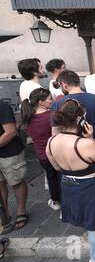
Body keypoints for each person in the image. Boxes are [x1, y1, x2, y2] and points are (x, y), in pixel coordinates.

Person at [46, 99, 95, 262]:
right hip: (90, 187)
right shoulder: (84, 144)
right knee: (94, 224)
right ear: (80, 120)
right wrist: (91, 138)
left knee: (88, 220)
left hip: (69, 184)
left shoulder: (51, 141)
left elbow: (56, 166)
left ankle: (91, 239)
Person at [21, 88, 60, 211]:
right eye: (49, 99)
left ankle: (56, 201)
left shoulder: (28, 119)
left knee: (51, 177)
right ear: (40, 102)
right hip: (56, 152)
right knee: (61, 177)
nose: (52, 100)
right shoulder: (52, 115)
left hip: (42, 155)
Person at [52, 70, 95, 144]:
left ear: (64, 85)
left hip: (74, 148)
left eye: (60, 87)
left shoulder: (58, 104)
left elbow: (55, 133)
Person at [0, 101, 28, 231]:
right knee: (0, 184)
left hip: (9, 152)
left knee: (16, 181)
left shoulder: (2, 106)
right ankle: (4, 215)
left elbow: (10, 132)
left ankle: (21, 211)